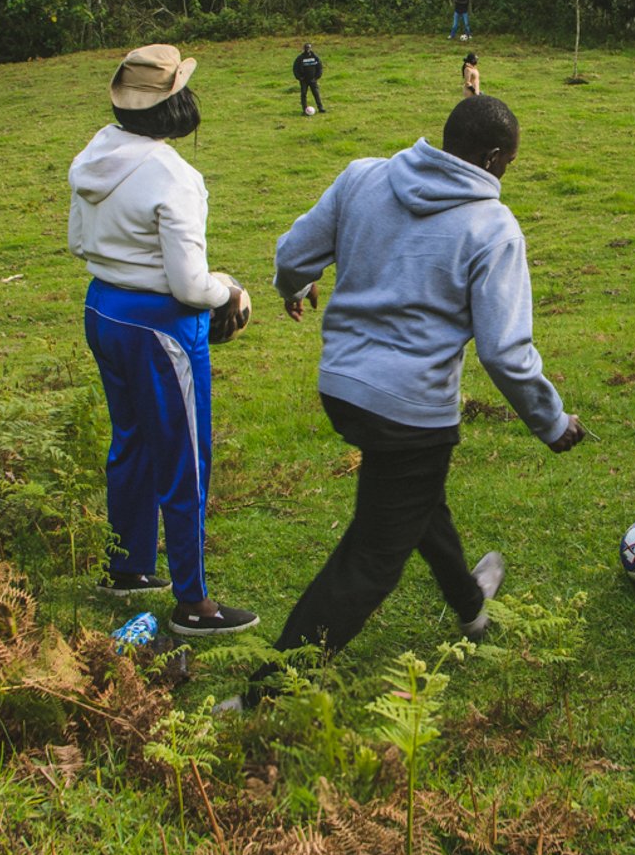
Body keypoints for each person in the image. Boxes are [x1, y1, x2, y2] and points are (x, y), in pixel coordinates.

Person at [253, 96, 584, 691]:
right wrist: (552, 421)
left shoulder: (363, 177)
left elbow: (291, 256)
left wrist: (294, 286)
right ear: (491, 158)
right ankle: (264, 694)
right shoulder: (492, 227)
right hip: (408, 411)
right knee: (373, 557)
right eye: (507, 162)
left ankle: (470, 603)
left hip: (342, 387)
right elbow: (504, 351)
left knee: (413, 494)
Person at [68, 44, 257, 637]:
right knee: (186, 458)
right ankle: (194, 602)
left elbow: (79, 243)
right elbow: (188, 283)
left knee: (132, 442)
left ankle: (127, 567)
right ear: (177, 101)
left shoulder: (95, 153)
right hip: (160, 326)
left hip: (104, 309)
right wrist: (228, 291)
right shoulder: (175, 175)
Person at [292, 41, 326, 114]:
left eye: (309, 48)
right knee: (303, 94)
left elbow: (319, 68)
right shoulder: (300, 58)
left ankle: (321, 108)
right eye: (306, 48)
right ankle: (304, 109)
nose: (307, 49)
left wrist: (316, 77)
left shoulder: (315, 57)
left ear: (311, 48)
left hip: (313, 80)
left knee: (316, 93)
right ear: (304, 48)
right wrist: (299, 77)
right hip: (304, 80)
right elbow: (295, 68)